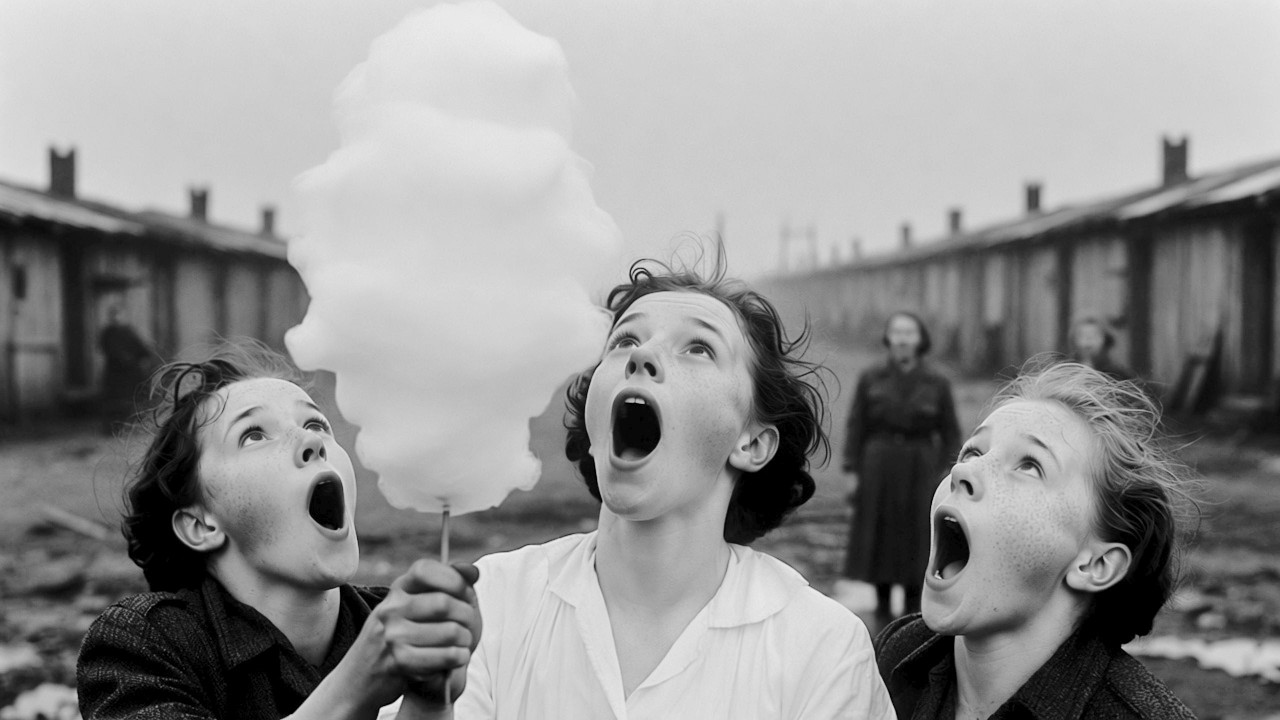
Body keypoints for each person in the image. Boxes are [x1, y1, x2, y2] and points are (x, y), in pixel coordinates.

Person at [446, 251, 894, 719]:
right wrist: (424, 703)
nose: (641, 355)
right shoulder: (489, 606)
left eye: (698, 348)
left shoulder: (823, 650)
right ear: (593, 425)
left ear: (753, 443)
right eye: (623, 340)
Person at [77, 341, 480, 720]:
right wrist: (355, 687)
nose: (311, 440)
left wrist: (427, 706)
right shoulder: (143, 643)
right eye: (253, 434)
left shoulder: (406, 633)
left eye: (317, 424)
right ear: (201, 524)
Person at [875, 359, 1197, 719]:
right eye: (974, 451)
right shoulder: (897, 657)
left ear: (1095, 564)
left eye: (1029, 465)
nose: (963, 470)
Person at [843, 311, 960, 622]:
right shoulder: (871, 378)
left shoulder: (937, 381)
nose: (903, 339)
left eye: (910, 332)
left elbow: (950, 433)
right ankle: (881, 610)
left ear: (920, 339)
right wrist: (852, 470)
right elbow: (857, 426)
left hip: (921, 465)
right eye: (897, 332)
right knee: (879, 532)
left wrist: (948, 474)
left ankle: (912, 612)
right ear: (888, 338)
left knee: (916, 534)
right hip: (878, 464)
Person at [98, 303, 157, 434]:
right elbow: (110, 350)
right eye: (114, 315)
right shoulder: (108, 333)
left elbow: (141, 348)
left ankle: (131, 427)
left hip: (131, 374)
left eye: (119, 314)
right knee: (114, 402)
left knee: (133, 399)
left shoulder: (129, 331)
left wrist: (144, 355)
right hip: (115, 373)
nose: (117, 317)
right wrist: (126, 359)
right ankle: (111, 429)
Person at [1068, 316, 1135, 383]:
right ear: (1073, 340)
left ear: (1105, 340)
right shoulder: (1067, 371)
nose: (1089, 340)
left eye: (1094, 335)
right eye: (1082, 335)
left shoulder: (1117, 374)